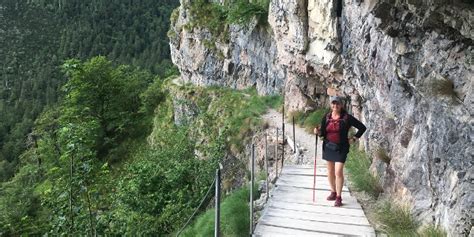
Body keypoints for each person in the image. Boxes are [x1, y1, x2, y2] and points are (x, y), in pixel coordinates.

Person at [313, 96, 366, 207]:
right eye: (333, 104)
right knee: (330, 171)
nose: (335, 106)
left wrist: (354, 138)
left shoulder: (347, 118)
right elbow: (323, 133)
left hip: (341, 147)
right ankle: (333, 192)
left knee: (338, 171)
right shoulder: (327, 117)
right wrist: (317, 132)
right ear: (331, 104)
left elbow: (362, 127)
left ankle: (338, 197)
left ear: (341, 105)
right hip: (328, 146)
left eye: (337, 104)